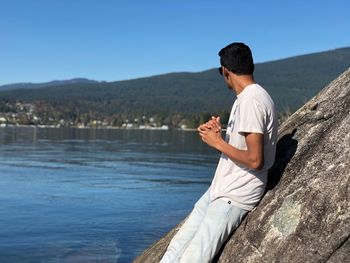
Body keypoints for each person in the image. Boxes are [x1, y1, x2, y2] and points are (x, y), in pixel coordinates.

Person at [160, 42, 278, 263]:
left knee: (193, 258)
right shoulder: (245, 99)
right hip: (221, 189)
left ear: (226, 70)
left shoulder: (252, 100)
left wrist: (217, 143)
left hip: (236, 194)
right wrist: (219, 135)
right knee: (176, 247)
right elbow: (244, 148)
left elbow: (255, 160)